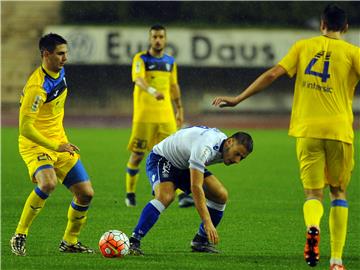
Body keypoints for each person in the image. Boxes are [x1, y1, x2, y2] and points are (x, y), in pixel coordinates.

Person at [212, 4, 359, 270]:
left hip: (307, 132)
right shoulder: (353, 53)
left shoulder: (303, 46)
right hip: (339, 132)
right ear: (346, 28)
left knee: (313, 194)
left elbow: (272, 74)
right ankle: (336, 260)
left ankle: (312, 227)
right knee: (338, 192)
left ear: (321, 25)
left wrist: (238, 99)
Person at [10, 33, 95, 256]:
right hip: (35, 144)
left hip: (59, 142)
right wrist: (55, 146)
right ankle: (20, 233)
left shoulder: (59, 71)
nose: (65, 58)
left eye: (66, 53)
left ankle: (70, 242)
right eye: (60, 54)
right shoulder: (36, 88)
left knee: (86, 193)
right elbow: (25, 128)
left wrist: (60, 143)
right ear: (45, 54)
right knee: (47, 184)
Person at [127, 126, 253, 255]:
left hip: (186, 164)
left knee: (221, 195)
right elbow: (196, 187)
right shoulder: (206, 147)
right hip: (163, 158)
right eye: (237, 154)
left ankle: (200, 241)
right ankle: (134, 241)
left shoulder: (223, 146)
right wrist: (207, 222)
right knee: (166, 197)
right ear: (230, 142)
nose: (237, 161)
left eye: (241, 158)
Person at [125, 24, 194, 208]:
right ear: (150, 39)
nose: (157, 40)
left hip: (166, 116)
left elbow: (174, 86)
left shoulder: (170, 61)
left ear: (165, 39)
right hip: (144, 116)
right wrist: (152, 90)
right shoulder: (141, 58)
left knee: (175, 154)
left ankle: (182, 196)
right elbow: (138, 79)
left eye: (161, 37)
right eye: (154, 36)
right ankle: (130, 193)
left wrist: (179, 108)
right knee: (138, 155)